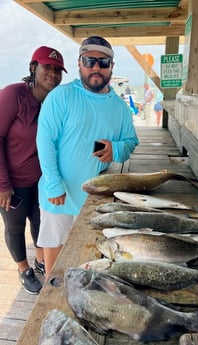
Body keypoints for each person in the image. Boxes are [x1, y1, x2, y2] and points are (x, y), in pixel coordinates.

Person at [36, 36, 139, 277]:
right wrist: (53, 184)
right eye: (89, 60)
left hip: (96, 198)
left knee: (90, 253)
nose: (96, 67)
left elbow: (131, 141)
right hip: (58, 194)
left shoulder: (120, 108)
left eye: (103, 62)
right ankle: (51, 294)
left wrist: (116, 148)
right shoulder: (60, 96)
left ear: (112, 66)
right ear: (79, 63)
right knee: (55, 247)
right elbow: (45, 140)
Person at [0, 46, 66, 294]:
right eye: (47, 67)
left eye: (58, 69)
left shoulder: (54, 101)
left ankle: (41, 261)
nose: (53, 73)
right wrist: (3, 184)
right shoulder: (13, 94)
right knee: (15, 228)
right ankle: (23, 269)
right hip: (13, 182)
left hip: (41, 181)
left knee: (40, 223)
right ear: (33, 68)